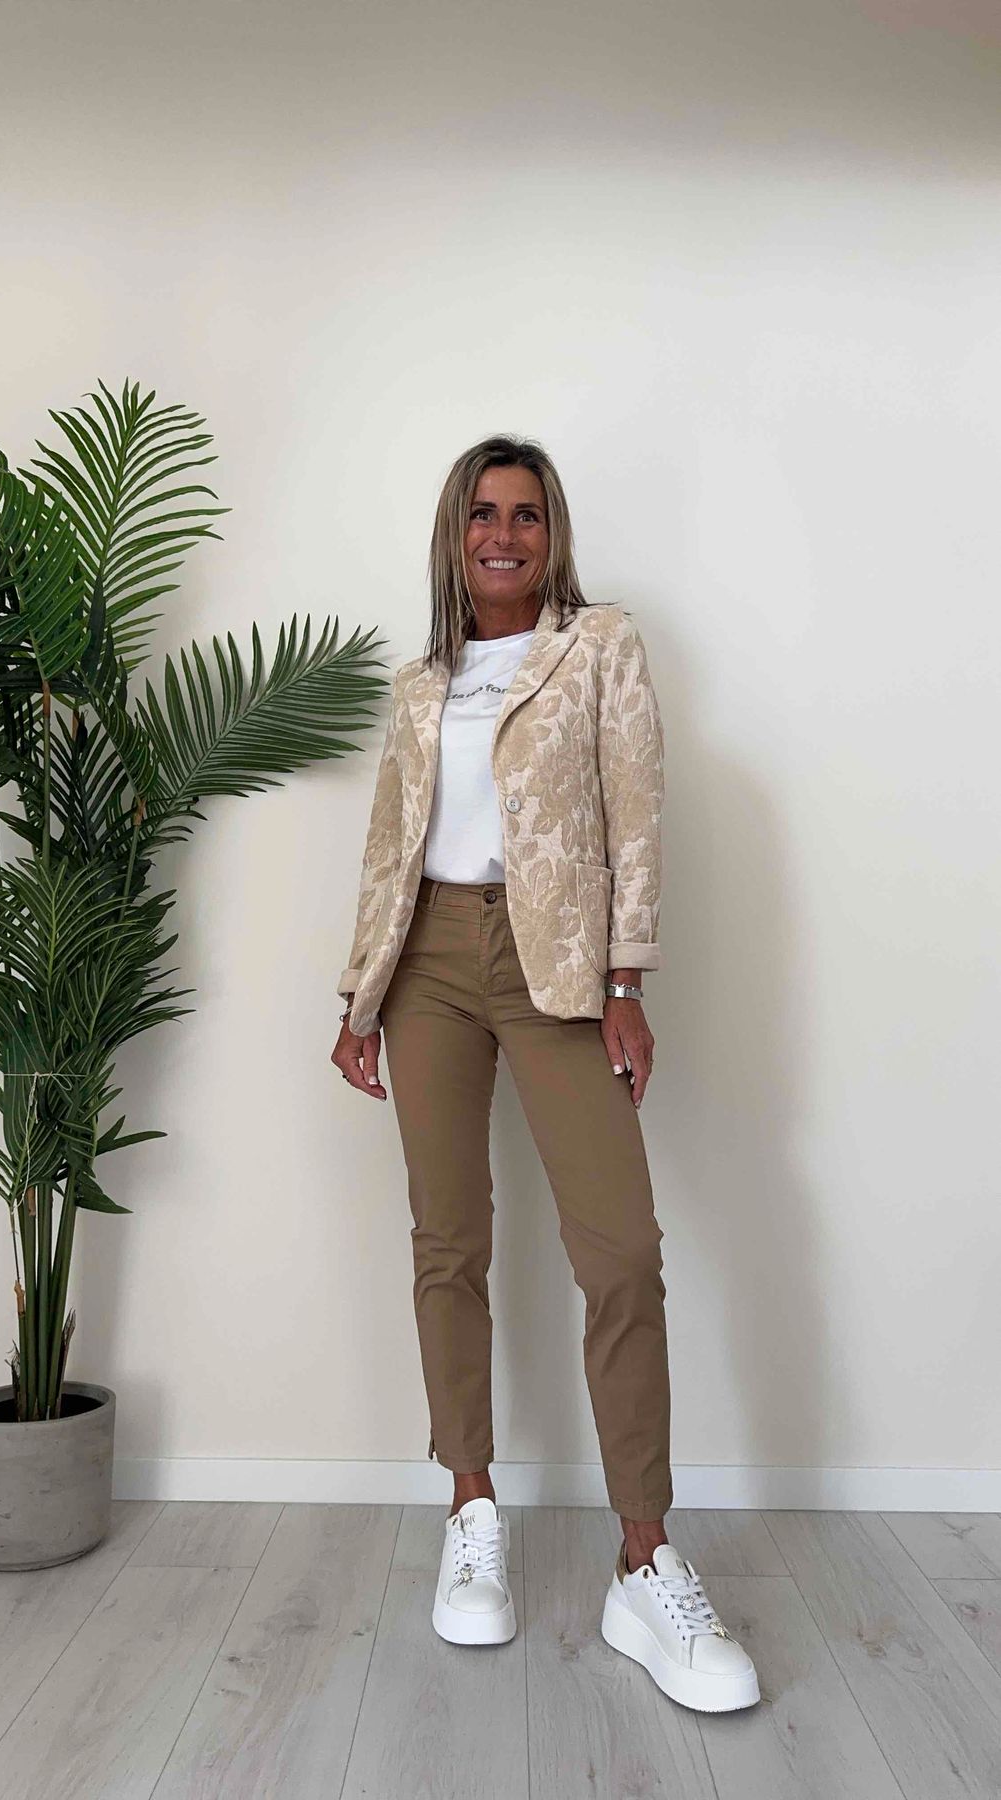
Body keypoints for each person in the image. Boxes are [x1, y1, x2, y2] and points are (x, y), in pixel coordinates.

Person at [331, 435, 759, 1713]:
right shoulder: (419, 684)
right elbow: (388, 845)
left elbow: (637, 812)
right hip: (426, 963)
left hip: (555, 961)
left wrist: (626, 984)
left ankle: (644, 1559)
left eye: (524, 514)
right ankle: (471, 1510)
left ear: (550, 533)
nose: (502, 535)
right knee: (446, 1241)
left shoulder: (599, 647)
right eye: (482, 514)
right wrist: (358, 995)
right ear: (453, 535)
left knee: (619, 1252)